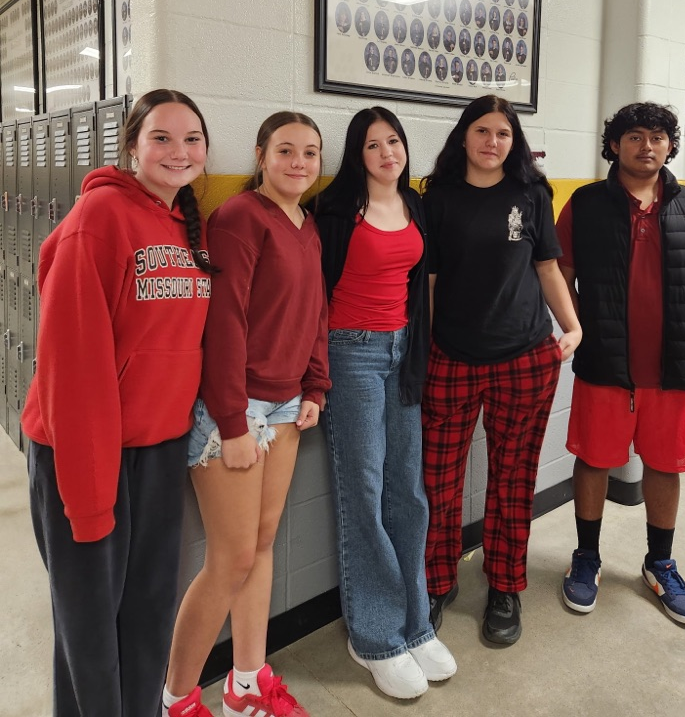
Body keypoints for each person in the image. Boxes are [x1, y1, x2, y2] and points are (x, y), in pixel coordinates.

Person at [21, 89, 215, 717]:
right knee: (90, 633)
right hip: (85, 453)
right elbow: (72, 375)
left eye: (191, 139)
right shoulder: (97, 219)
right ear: (132, 145)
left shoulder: (187, 222)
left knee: (147, 615)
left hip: (156, 451)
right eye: (161, 137)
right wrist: (89, 499)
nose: (178, 151)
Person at [162, 112, 330, 717]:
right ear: (260, 155)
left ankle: (246, 684)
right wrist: (232, 424)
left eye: (310, 152)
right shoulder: (239, 218)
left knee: (261, 546)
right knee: (229, 558)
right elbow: (224, 324)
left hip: (287, 405)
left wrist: (316, 385)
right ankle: (176, 699)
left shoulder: (306, 225)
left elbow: (315, 311)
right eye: (286, 150)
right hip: (235, 410)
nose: (299, 162)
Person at [556, 102, 685, 625]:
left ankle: (660, 564)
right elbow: (560, 273)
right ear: (614, 145)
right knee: (594, 459)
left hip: (670, 370)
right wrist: (581, 329)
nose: (646, 146)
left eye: (657, 137)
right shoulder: (585, 204)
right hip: (606, 363)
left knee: (666, 464)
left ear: (670, 146)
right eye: (634, 136)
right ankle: (586, 559)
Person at [421, 95, 582, 647]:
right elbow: (433, 284)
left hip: (524, 356)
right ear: (463, 136)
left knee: (513, 480)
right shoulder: (436, 197)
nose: (493, 142)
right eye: (483, 131)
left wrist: (573, 325)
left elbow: (546, 266)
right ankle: (436, 582)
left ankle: (505, 585)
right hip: (452, 358)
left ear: (514, 142)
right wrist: (428, 350)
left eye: (504, 134)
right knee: (437, 482)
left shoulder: (532, 193)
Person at [312, 107, 457, 700]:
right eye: (373, 146)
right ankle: (373, 636)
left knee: (409, 490)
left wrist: (417, 352)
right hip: (352, 355)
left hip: (403, 352)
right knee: (364, 491)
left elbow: (420, 287)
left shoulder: (415, 204)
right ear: (357, 155)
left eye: (393, 141)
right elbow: (314, 292)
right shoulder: (337, 211)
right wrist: (313, 375)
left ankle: (414, 622)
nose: (386, 153)